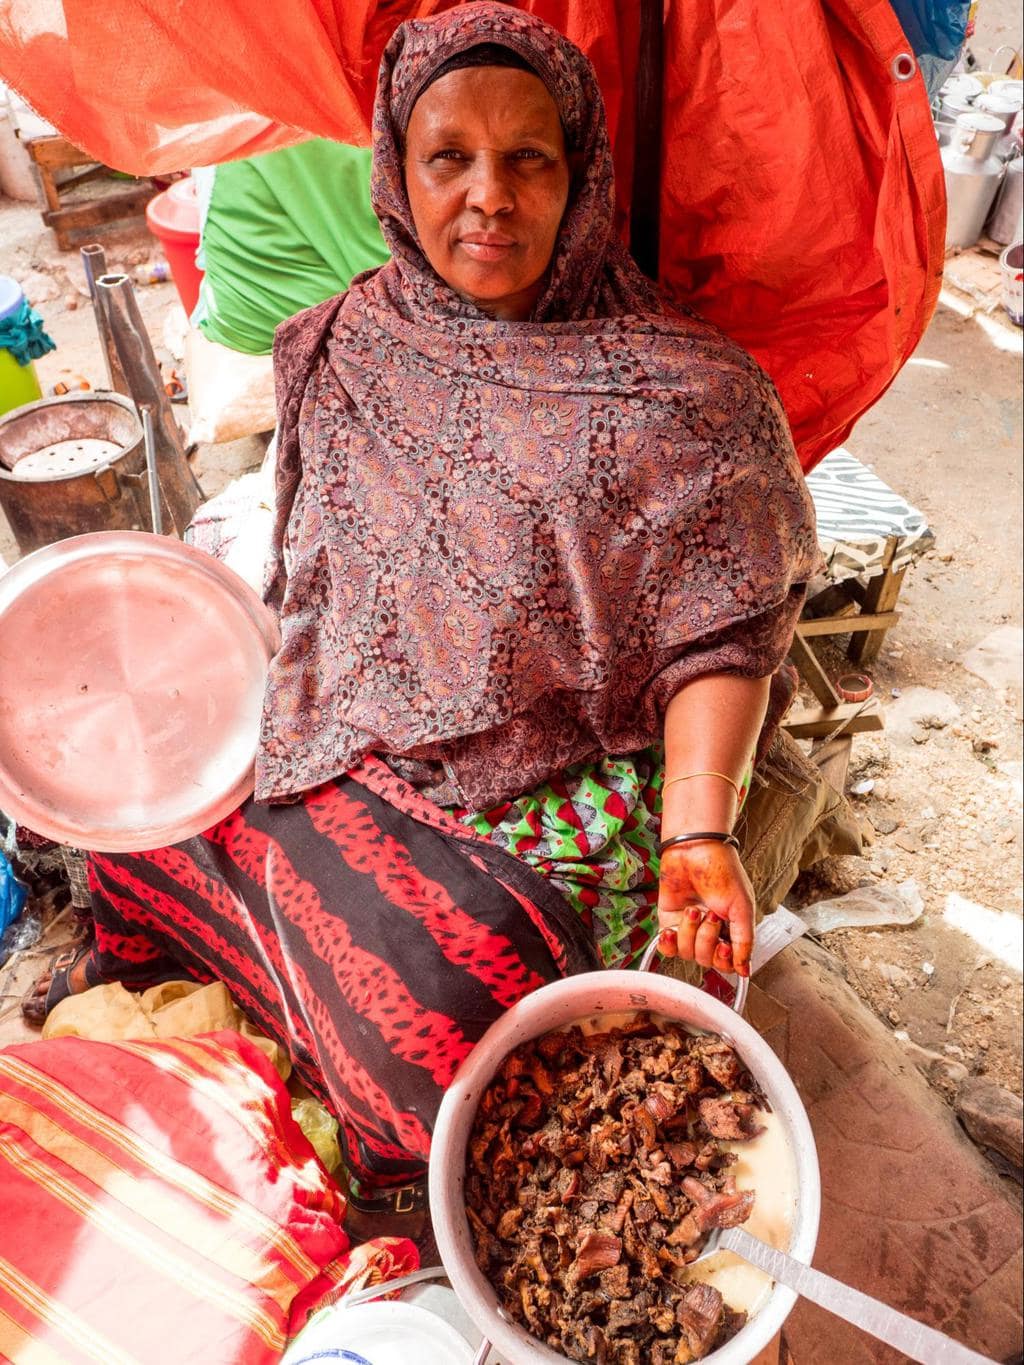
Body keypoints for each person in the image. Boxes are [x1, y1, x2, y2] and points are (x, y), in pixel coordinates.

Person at [25, 3, 817, 1212]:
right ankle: (225, 978)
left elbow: (724, 626)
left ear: (581, 174)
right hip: (336, 707)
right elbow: (312, 572)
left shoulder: (689, 393)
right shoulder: (349, 339)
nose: (487, 196)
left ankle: (391, 1138)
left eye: (528, 159)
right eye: (450, 158)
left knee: (428, 1013)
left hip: (548, 774)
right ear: (400, 172)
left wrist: (699, 834)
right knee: (136, 807)